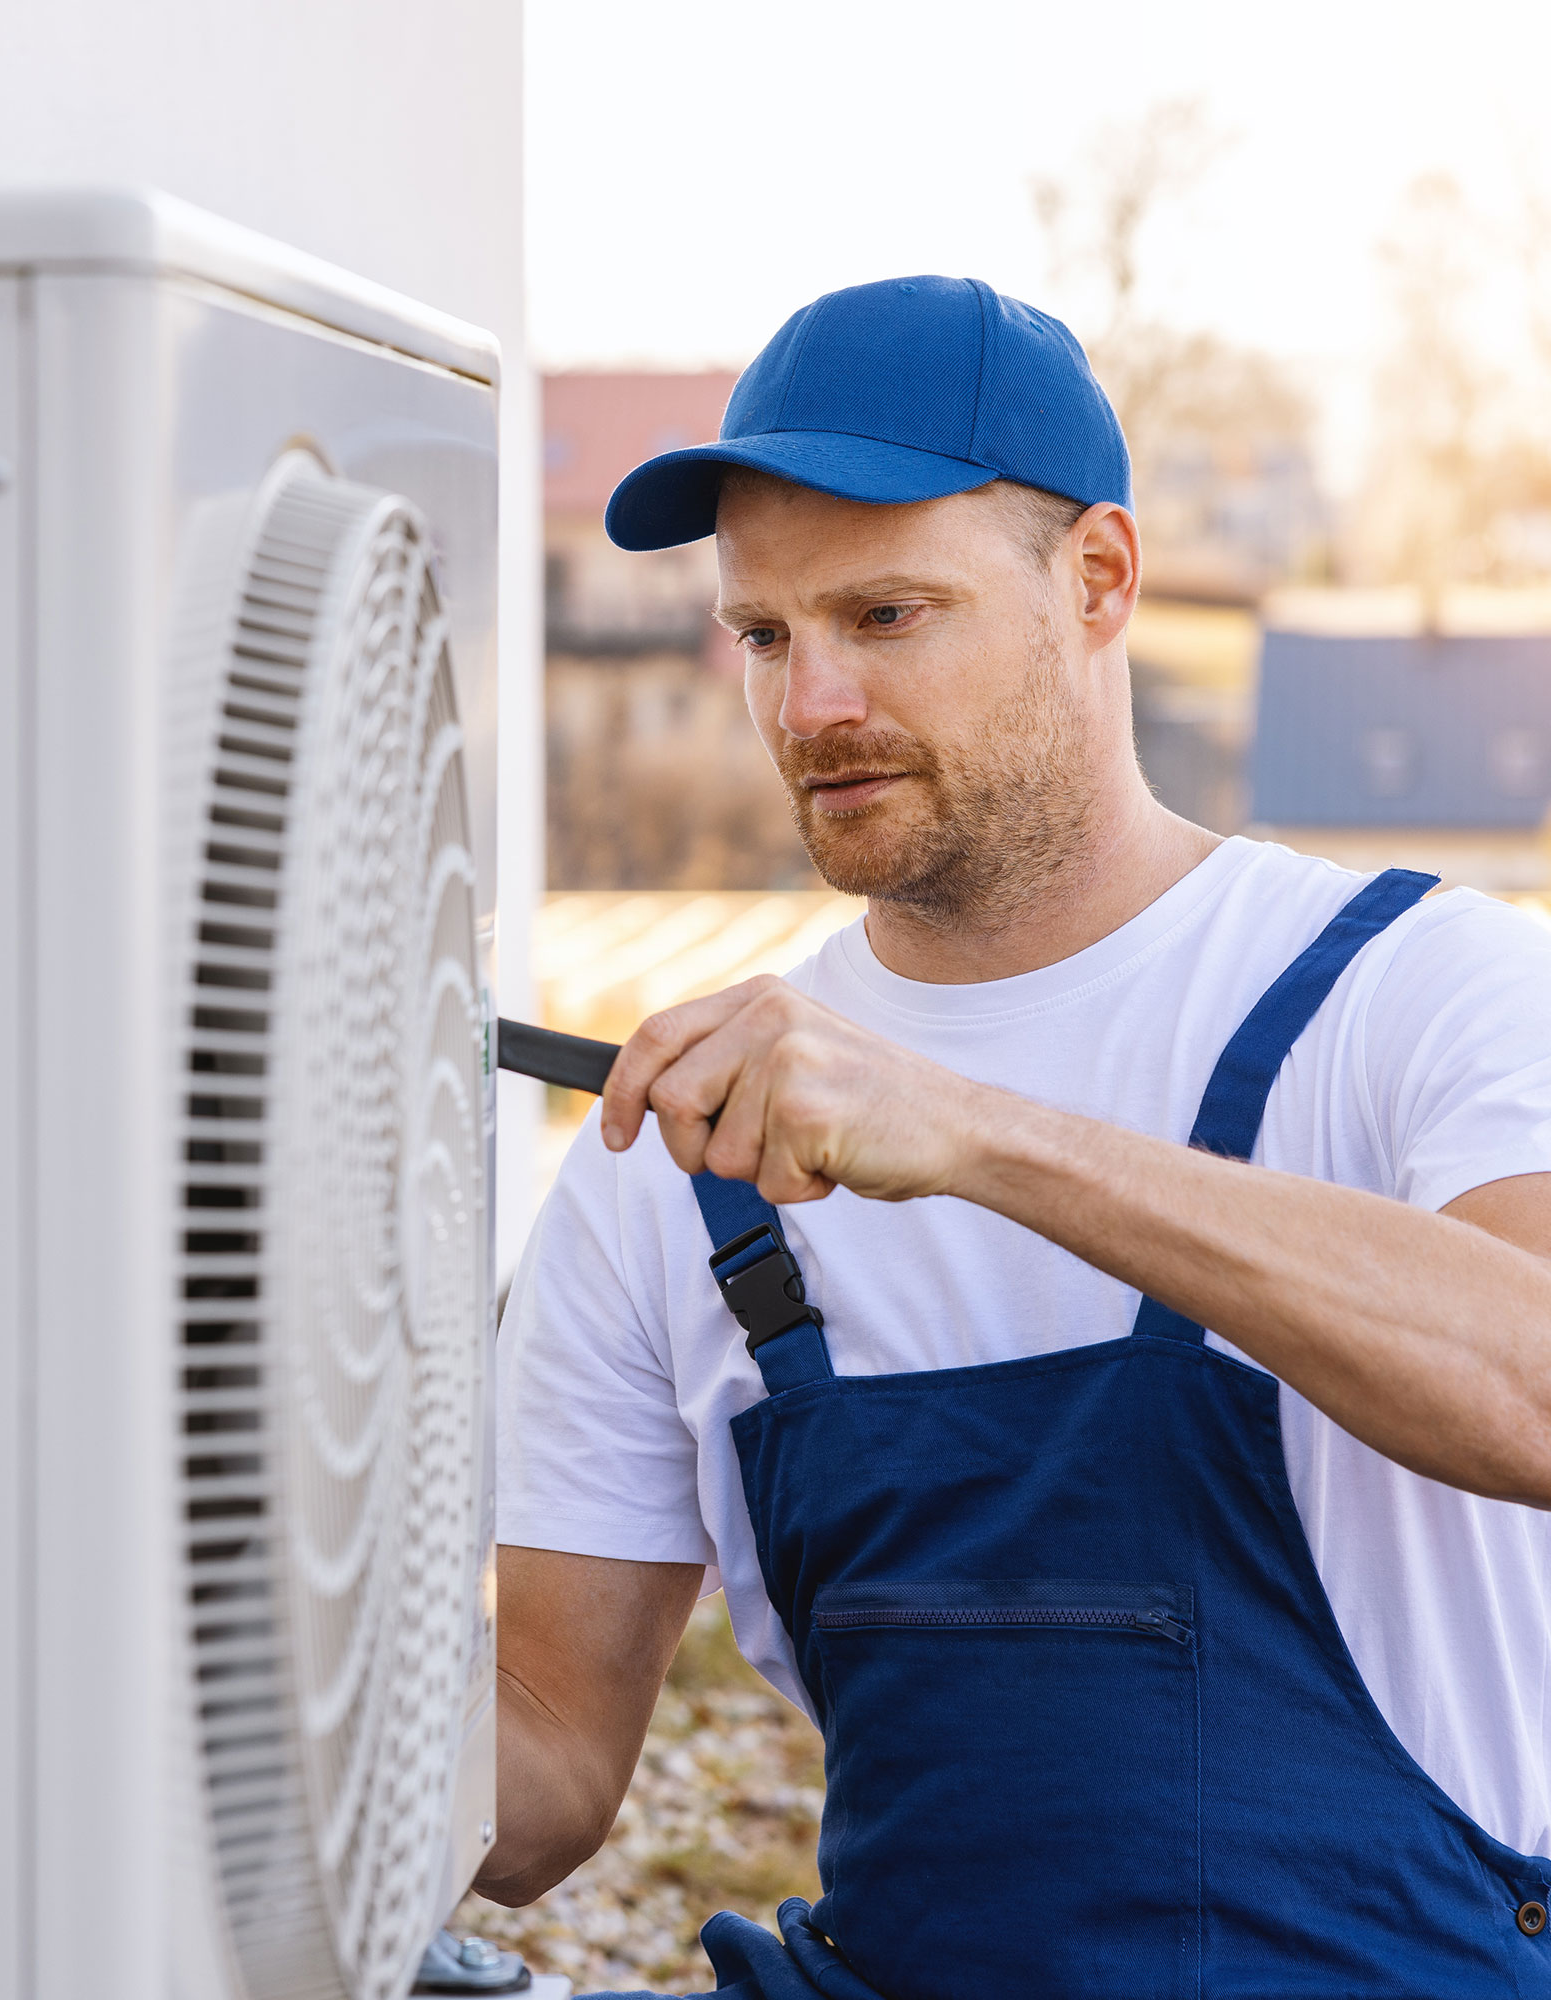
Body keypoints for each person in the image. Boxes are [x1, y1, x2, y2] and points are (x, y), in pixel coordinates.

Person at [480, 275, 1551, 1999]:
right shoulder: (670, 1151)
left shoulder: (1421, 991)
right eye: (762, 635)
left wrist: (974, 1134)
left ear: (1102, 579)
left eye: (887, 616)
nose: (809, 703)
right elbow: (539, 1776)